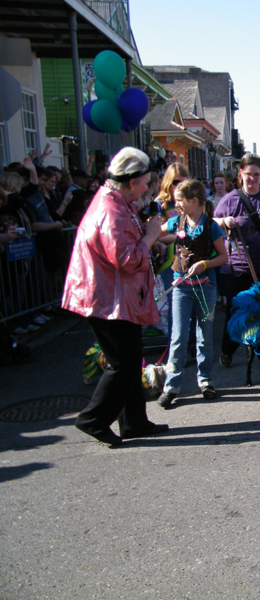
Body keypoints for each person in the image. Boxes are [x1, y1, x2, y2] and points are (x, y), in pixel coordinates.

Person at [62, 147, 168, 446]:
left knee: (130, 360)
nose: (148, 187)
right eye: (145, 182)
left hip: (115, 296)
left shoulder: (114, 200)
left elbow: (127, 247)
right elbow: (128, 259)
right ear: (132, 180)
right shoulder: (110, 209)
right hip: (106, 298)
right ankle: (92, 419)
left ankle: (134, 422)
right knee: (125, 362)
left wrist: (149, 241)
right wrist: (150, 237)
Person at [156, 180, 227, 408]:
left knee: (204, 334)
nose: (175, 203)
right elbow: (155, 234)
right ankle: (171, 385)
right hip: (181, 287)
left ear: (193, 201)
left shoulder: (211, 226)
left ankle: (205, 380)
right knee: (178, 336)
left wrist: (205, 264)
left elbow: (223, 257)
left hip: (205, 287)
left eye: (179, 199)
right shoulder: (176, 222)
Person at [215, 155, 260, 366]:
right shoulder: (230, 200)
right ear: (241, 174)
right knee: (238, 313)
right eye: (248, 175)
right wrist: (223, 221)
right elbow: (211, 222)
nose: (253, 179)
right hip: (237, 269)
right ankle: (228, 350)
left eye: (257, 175)